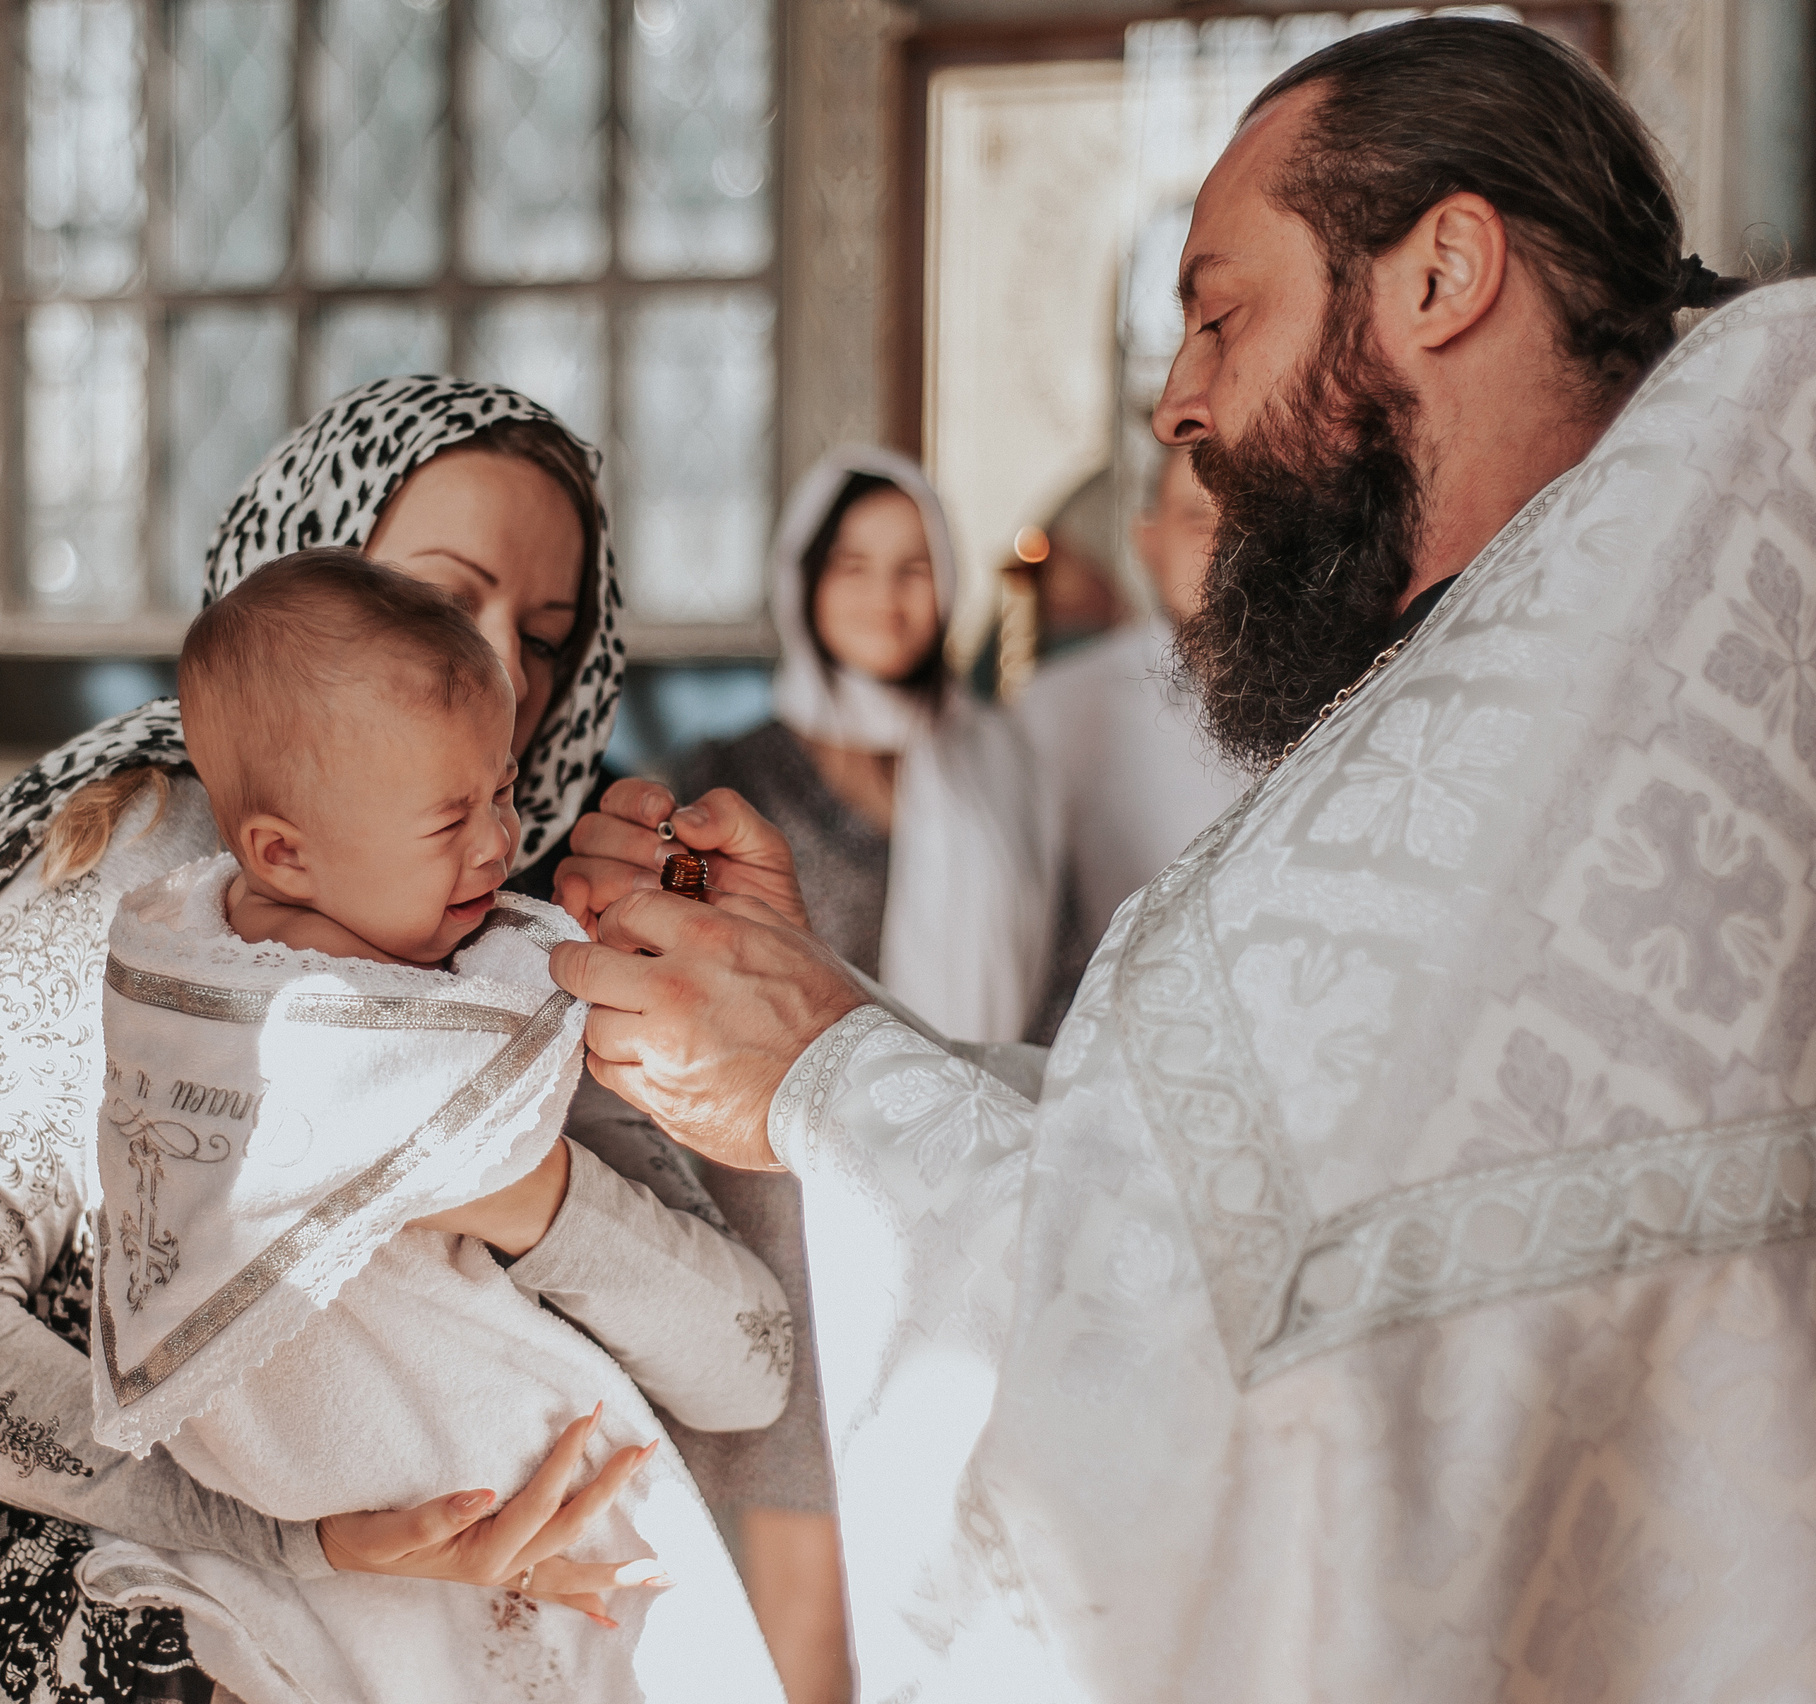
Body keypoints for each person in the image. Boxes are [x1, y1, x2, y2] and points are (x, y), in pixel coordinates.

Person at [549, 18, 1811, 1700]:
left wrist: (834, 1079)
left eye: (1223, 310)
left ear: (1444, 270)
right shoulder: (1519, 676)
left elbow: (1242, 1353)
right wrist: (845, 1035)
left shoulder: (1639, 674)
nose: (1179, 398)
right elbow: (1244, 1185)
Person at [0, 377, 785, 1701]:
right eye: (441, 594)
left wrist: (525, 1192)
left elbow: (748, 1362)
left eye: (547, 634)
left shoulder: (501, 927)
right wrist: (292, 1538)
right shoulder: (147, 873)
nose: (498, 665)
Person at [66, 549, 787, 1701]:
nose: (498, 844)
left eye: (503, 792)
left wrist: (538, 1202)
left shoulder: (327, 918)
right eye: (451, 816)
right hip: (304, 1472)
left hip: (477, 1498)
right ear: (281, 850)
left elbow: (754, 1366)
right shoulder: (224, 995)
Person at [666, 446, 1049, 1703]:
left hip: (970, 1201)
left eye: (913, 568)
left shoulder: (999, 765)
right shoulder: (732, 775)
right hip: (785, 1233)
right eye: (853, 566)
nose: (886, 599)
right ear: (802, 583)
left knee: (952, 1603)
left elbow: (1050, 981)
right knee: (810, 1645)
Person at [1016, 446, 1244, 1004]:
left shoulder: (1350, 696)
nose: (1225, 548)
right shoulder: (1055, 709)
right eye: (1197, 519)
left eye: (1247, 522)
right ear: (1148, 541)